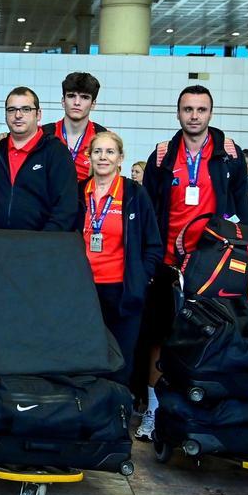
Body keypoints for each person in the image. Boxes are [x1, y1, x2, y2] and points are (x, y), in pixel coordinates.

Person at [137, 84, 248, 441]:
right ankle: (153, 411)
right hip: (169, 263)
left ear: (210, 114)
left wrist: (245, 252)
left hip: (212, 265)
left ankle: (204, 412)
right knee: (159, 337)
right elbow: (149, 209)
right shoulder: (162, 156)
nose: (194, 116)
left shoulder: (228, 155)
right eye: (188, 109)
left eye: (201, 109)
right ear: (178, 113)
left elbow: (241, 207)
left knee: (211, 337)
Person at [74, 131, 162, 386]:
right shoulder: (79, 192)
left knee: (121, 361)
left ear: (120, 158)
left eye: (110, 152)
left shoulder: (134, 194)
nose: (103, 157)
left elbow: (153, 244)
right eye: (97, 151)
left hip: (122, 291)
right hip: (85, 291)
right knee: (87, 359)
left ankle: (119, 408)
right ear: (89, 156)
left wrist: (140, 278)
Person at [0, 87, 78, 231]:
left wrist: (46, 240)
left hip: (40, 241)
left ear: (38, 114)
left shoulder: (56, 152)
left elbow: (66, 207)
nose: (18, 115)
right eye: (11, 110)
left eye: (26, 109)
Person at [42, 72, 109, 181]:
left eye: (84, 97)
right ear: (63, 101)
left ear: (93, 104)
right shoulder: (43, 134)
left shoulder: (104, 137)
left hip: (88, 192)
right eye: (71, 96)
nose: (77, 102)